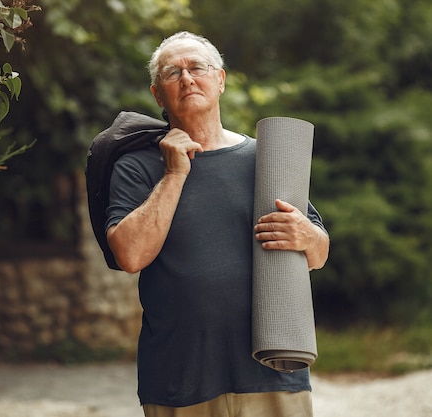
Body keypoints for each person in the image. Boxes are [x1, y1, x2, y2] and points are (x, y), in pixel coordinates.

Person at [104, 31, 330, 417]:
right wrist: (174, 174)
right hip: (180, 378)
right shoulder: (137, 166)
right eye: (172, 73)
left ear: (220, 80)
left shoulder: (267, 158)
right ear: (158, 95)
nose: (187, 78)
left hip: (271, 370)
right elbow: (130, 255)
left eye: (197, 67)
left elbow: (318, 253)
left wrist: (309, 236)